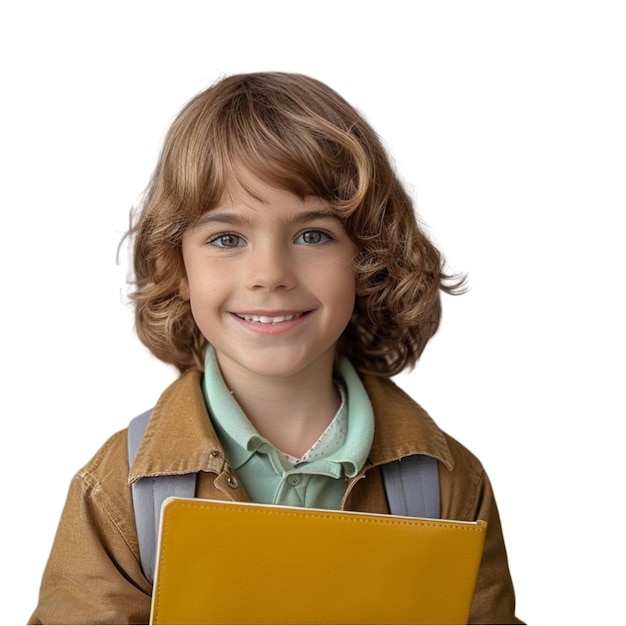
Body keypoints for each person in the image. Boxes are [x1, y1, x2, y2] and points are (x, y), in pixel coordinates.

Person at [29, 72, 523, 625]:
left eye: (313, 234)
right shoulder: (120, 490)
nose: (269, 274)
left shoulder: (447, 483)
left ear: (368, 257)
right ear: (178, 268)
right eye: (227, 238)